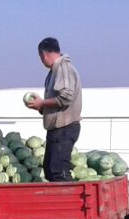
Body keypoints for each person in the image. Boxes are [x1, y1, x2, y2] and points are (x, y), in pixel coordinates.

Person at [26, 37, 82, 181]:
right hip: (57, 129)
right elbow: (58, 102)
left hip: (64, 128)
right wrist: (40, 107)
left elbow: (66, 97)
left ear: (43, 54)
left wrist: (43, 103)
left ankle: (69, 202)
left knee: (59, 172)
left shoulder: (64, 68)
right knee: (51, 170)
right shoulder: (55, 70)